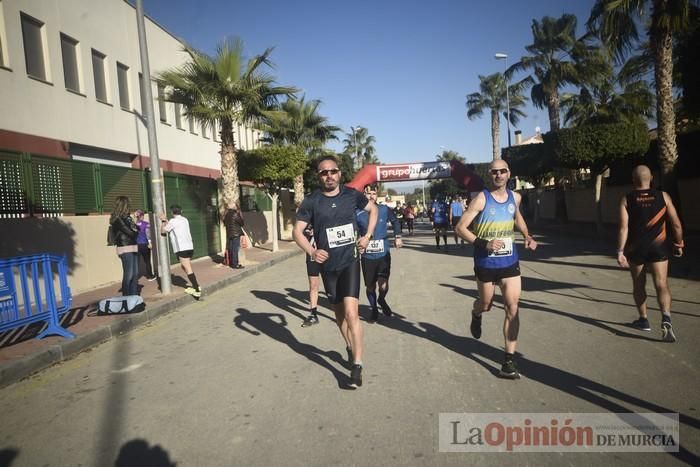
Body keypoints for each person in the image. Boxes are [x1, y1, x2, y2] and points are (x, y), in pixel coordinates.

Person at [293, 155, 378, 389]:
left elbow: (374, 210)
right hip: (327, 267)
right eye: (323, 172)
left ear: (340, 173)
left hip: (350, 261)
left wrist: (367, 236)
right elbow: (297, 232)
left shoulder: (352, 195)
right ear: (318, 176)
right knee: (339, 316)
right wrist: (312, 251)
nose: (329, 175)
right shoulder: (312, 201)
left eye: (333, 171)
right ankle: (350, 346)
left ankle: (357, 365)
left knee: (352, 314)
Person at [455, 160, 537, 379]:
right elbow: (460, 228)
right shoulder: (481, 199)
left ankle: (508, 362)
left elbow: (516, 215)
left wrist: (527, 235)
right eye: (494, 172)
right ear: (489, 175)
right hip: (485, 263)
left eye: (503, 171)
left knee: (512, 307)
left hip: (510, 262)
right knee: (486, 304)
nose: (499, 175)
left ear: (509, 173)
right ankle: (476, 313)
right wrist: (484, 243)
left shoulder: (515, 197)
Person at [616, 165, 684, 342]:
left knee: (639, 284)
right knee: (661, 283)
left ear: (633, 180)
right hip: (659, 247)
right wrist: (679, 243)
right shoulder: (663, 196)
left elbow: (624, 228)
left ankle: (644, 320)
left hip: (635, 249)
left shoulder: (627, 199)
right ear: (651, 178)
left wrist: (620, 251)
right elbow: (676, 224)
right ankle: (666, 318)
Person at [357, 188, 403, 322]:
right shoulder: (357, 212)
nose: (371, 196)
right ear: (364, 195)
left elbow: (395, 221)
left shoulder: (384, 209)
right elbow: (352, 230)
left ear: (377, 196)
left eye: (374, 193)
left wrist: (398, 236)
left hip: (383, 253)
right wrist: (356, 242)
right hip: (367, 256)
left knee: (383, 284)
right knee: (370, 286)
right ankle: (374, 310)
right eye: (368, 193)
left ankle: (381, 299)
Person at [159, 205, 202, 298]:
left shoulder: (172, 221)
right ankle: (195, 285)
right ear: (181, 211)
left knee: (187, 267)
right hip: (189, 247)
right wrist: (166, 220)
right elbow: (172, 226)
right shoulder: (184, 220)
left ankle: (197, 289)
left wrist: (163, 221)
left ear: (172, 212)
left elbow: (163, 232)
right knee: (184, 266)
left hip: (181, 248)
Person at [109, 196, 140, 296]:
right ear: (123, 205)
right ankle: (126, 297)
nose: (129, 207)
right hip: (125, 248)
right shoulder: (118, 219)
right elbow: (131, 233)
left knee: (135, 274)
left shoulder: (128, 218)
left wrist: (135, 225)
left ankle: (134, 296)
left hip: (133, 246)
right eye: (128, 205)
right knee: (129, 274)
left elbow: (136, 230)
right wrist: (135, 231)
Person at [300, 224, 322, 327]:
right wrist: (308, 232)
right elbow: (299, 234)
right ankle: (313, 315)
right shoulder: (306, 218)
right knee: (313, 285)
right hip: (312, 255)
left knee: (334, 284)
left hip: (328, 254)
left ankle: (342, 311)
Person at [135, 209, 157, 281]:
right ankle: (150, 276)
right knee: (147, 260)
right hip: (144, 244)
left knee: (136, 261)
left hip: (136, 245)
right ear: (141, 216)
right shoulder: (146, 224)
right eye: (143, 215)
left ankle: (135, 278)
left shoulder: (134, 224)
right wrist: (150, 243)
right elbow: (148, 234)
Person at [223, 201, 245, 269]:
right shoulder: (235, 214)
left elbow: (224, 223)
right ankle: (235, 264)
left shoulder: (226, 214)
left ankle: (232, 263)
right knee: (235, 249)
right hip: (236, 234)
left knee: (231, 248)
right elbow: (241, 223)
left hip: (229, 234)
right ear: (233, 207)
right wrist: (240, 216)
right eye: (235, 205)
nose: (236, 206)